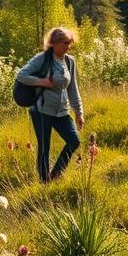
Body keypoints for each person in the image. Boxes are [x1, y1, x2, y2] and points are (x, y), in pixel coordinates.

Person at [16, 27, 85, 183]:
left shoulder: (70, 61)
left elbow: (73, 88)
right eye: (65, 43)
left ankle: (55, 175)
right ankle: (45, 183)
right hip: (41, 110)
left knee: (74, 141)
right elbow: (22, 75)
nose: (68, 46)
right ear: (53, 42)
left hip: (62, 111)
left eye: (70, 43)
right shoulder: (42, 59)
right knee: (44, 148)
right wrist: (43, 82)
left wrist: (79, 112)